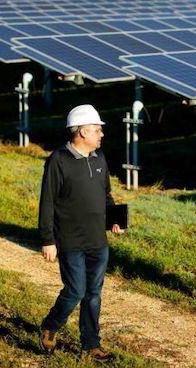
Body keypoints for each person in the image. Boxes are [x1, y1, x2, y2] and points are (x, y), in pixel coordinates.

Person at [38, 104, 123, 361]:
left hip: (98, 240)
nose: (102, 134)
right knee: (75, 291)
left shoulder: (100, 159)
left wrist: (115, 220)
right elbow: (47, 201)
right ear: (83, 132)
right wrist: (47, 240)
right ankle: (51, 326)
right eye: (97, 130)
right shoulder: (58, 160)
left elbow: (105, 194)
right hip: (70, 240)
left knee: (93, 294)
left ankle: (91, 344)